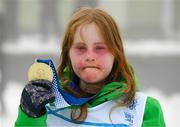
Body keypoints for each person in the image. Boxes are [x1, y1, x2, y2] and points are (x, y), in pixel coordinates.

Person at [15, 7, 166, 127]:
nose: (90, 56)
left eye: (100, 48)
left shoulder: (144, 110)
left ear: (116, 53)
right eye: (81, 48)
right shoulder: (47, 103)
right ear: (68, 54)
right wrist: (30, 117)